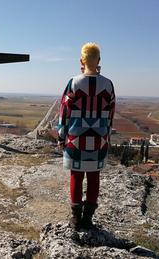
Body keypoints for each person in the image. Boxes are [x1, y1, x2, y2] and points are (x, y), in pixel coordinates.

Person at [57, 42, 115, 230]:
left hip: (76, 139)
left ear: (81, 60)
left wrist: (61, 136)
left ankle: (75, 219)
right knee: (93, 177)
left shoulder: (73, 83)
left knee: (76, 176)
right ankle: (88, 219)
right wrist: (107, 136)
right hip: (99, 139)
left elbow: (64, 112)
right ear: (98, 60)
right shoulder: (108, 85)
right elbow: (111, 114)